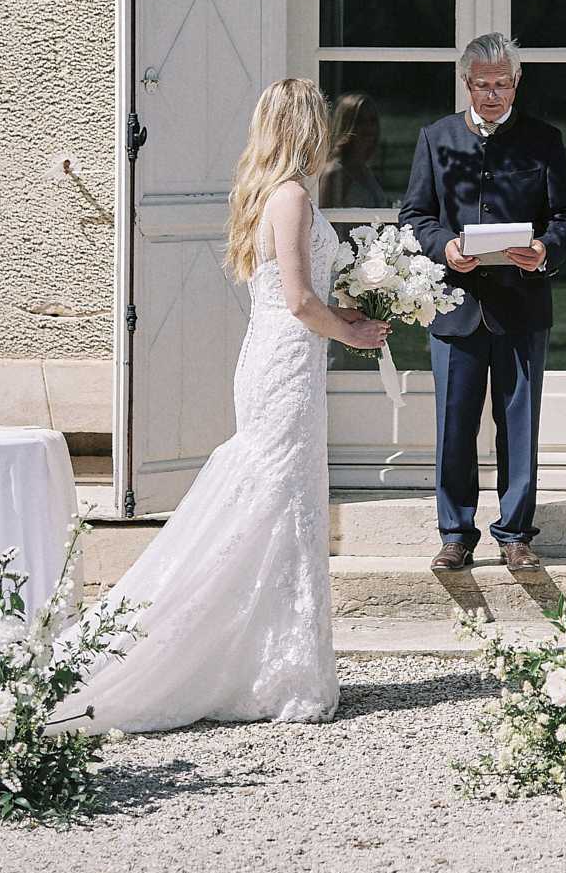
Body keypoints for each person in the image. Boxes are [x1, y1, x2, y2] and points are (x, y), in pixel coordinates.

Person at [64, 79, 388, 732]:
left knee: (284, 502)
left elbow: (296, 292)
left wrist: (346, 309)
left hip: (278, 356)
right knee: (276, 501)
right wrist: (348, 329)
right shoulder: (293, 195)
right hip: (285, 361)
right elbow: (298, 299)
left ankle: (271, 663)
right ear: (306, 127)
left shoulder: (274, 192)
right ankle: (266, 668)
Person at [399, 33, 566, 573]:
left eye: (503, 84)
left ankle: (516, 534)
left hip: (522, 307)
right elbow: (415, 217)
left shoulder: (543, 139)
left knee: (519, 424)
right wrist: (444, 247)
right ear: (466, 83)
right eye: (483, 85)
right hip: (454, 307)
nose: (493, 95)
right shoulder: (437, 139)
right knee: (454, 426)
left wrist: (544, 249)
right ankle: (455, 533)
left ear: (517, 82)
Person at [320, 90, 386, 208]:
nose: (368, 127)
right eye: (360, 121)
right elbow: (324, 218)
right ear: (347, 125)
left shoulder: (365, 170)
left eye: (372, 120)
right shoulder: (335, 173)